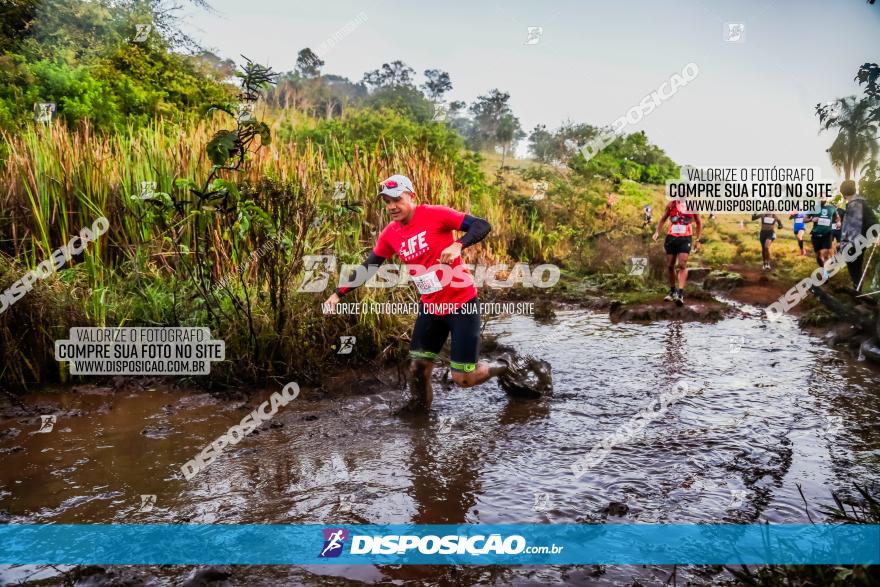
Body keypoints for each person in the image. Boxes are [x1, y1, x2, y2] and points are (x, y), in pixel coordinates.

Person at [322, 174, 551, 411]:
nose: (391, 207)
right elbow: (369, 266)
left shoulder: (435, 214)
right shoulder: (390, 234)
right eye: (387, 202)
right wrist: (339, 293)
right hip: (431, 307)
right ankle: (419, 421)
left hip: (462, 304)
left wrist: (458, 244)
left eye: (397, 200)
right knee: (418, 367)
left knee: (464, 378)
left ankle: (506, 364)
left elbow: (481, 225)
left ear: (411, 196)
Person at [653, 200, 702, 306]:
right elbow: (663, 219)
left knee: (682, 265)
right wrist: (657, 232)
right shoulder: (671, 204)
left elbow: (699, 222)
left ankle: (680, 293)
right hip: (671, 238)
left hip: (685, 238)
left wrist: (698, 240)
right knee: (670, 266)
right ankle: (672, 291)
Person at [838, 179, 879, 291]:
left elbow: (871, 221)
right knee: (854, 266)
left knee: (854, 266)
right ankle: (857, 288)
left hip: (857, 241)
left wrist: (877, 235)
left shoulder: (858, 204)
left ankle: (857, 290)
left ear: (843, 193)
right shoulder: (856, 203)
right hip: (855, 241)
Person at [804, 197, 839, 270]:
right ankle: (824, 270)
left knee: (825, 252)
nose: (822, 199)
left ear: (826, 198)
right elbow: (804, 219)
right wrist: (811, 219)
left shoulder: (831, 208)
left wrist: (838, 222)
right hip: (815, 235)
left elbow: (837, 217)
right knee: (819, 255)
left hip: (827, 234)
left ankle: (827, 268)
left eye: (824, 197)